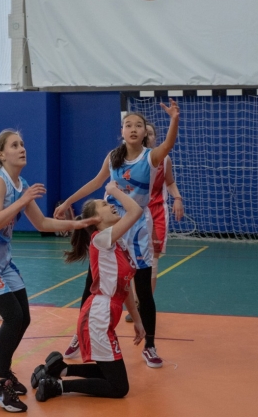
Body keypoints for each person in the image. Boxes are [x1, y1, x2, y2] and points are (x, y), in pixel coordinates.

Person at [0, 129, 97, 413]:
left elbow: (42, 224)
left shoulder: (19, 183)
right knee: (12, 316)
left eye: (22, 144)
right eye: (14, 145)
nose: (22, 148)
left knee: (23, 316)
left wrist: (77, 224)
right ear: (1, 154)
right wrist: (22, 200)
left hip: (0, 257)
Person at [55, 100, 179, 368]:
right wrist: (67, 202)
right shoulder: (113, 157)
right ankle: (81, 333)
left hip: (137, 226)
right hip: (110, 224)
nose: (133, 129)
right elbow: (95, 182)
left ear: (144, 132)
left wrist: (174, 120)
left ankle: (150, 345)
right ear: (121, 131)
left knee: (143, 289)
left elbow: (168, 145)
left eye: (138, 126)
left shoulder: (151, 157)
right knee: (92, 283)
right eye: (128, 125)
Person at [30, 182, 145, 403]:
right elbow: (135, 211)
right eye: (105, 204)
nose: (111, 205)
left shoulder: (119, 243)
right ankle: (56, 387)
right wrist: (113, 190)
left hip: (107, 313)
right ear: (95, 220)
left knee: (109, 372)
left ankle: (58, 370)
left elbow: (126, 287)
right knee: (119, 387)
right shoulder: (100, 239)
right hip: (98, 315)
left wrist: (138, 320)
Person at [145, 123, 184, 293]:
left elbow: (170, 182)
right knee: (134, 260)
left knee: (153, 260)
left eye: (150, 133)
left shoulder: (165, 159)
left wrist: (177, 198)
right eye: (145, 133)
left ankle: (145, 303)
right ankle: (135, 301)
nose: (147, 136)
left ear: (155, 138)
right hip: (135, 213)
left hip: (157, 213)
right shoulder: (127, 159)